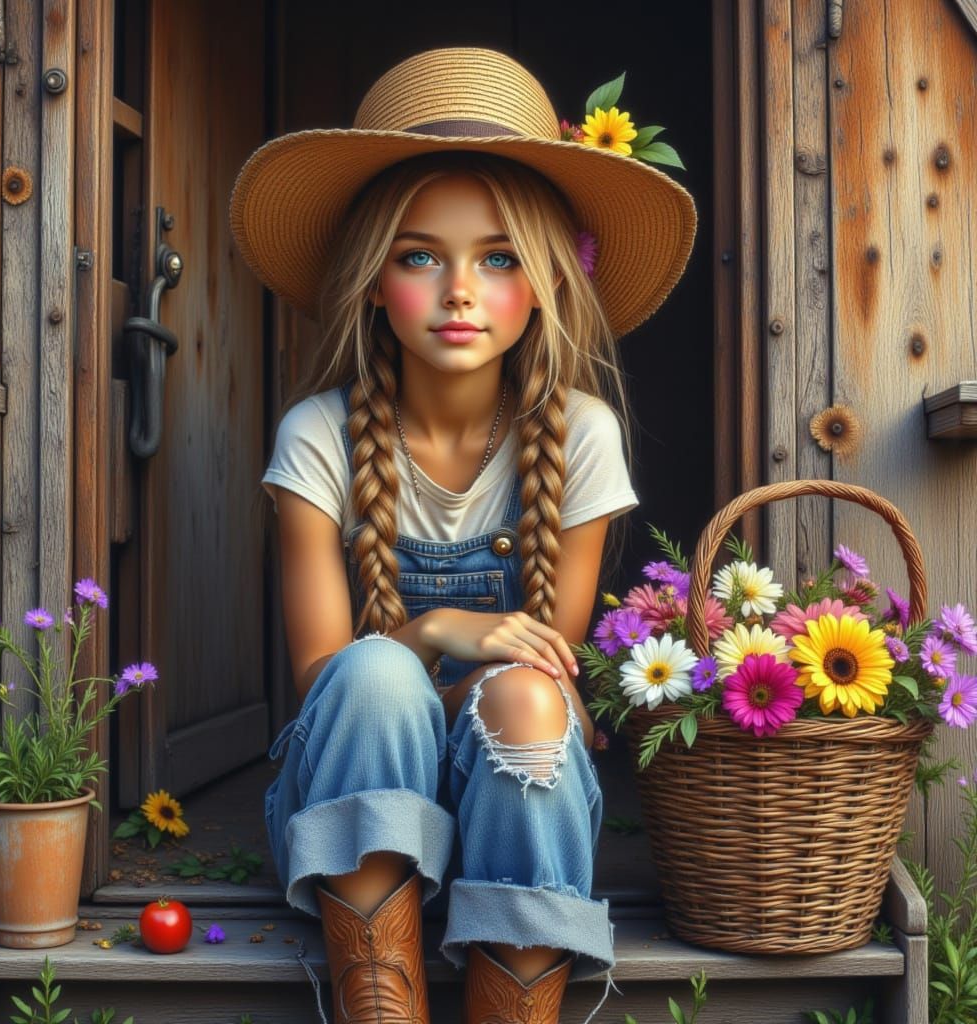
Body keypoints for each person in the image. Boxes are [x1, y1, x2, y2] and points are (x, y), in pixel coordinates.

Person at [229, 46, 696, 1024]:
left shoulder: (580, 434)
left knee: (527, 696)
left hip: (512, 788)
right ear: (370, 280)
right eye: (418, 255)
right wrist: (438, 625)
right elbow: (322, 676)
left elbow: (548, 662)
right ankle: (379, 999)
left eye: (496, 258)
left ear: (546, 285)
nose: (458, 290)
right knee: (373, 673)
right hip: (355, 789)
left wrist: (480, 653)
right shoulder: (317, 432)